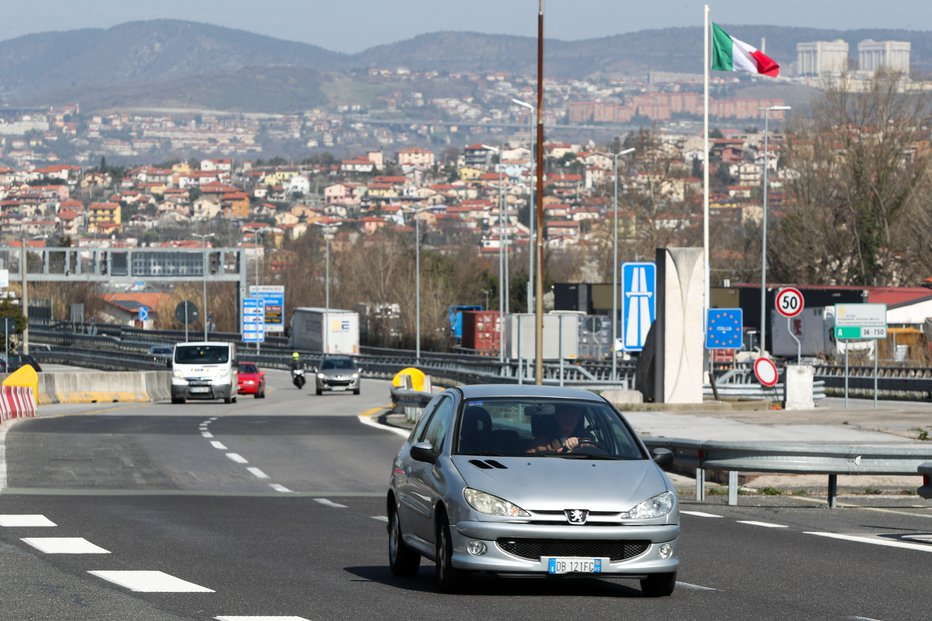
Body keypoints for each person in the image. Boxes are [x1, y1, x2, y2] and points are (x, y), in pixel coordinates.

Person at [527, 403, 594, 454]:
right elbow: (528, 459)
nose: (569, 418)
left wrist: (578, 442)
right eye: (565, 413)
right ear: (557, 416)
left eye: (573, 414)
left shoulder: (587, 437)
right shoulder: (541, 441)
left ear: (578, 418)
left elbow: (594, 449)